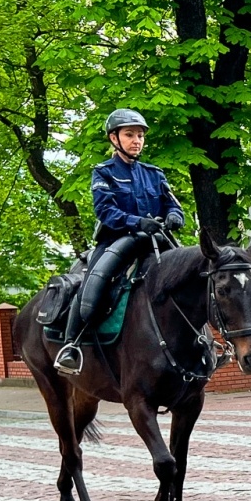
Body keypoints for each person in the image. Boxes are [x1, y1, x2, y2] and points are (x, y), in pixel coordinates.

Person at [54, 109, 186, 374]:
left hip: (155, 241)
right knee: (92, 283)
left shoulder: (155, 173)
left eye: (140, 136)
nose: (136, 140)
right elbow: (105, 211)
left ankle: (205, 343)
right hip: (116, 241)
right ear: (114, 138)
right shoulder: (103, 172)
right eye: (129, 135)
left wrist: (174, 216)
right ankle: (71, 346)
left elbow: (173, 205)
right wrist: (137, 222)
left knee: (195, 274)